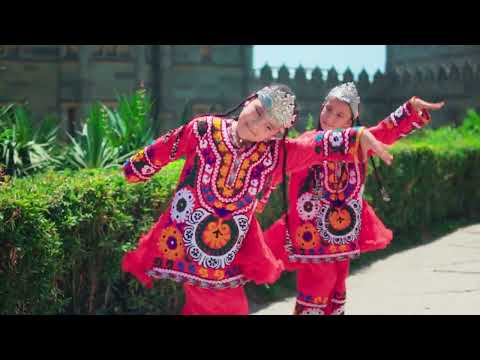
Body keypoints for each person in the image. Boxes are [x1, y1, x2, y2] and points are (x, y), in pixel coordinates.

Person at [121, 84, 393, 315]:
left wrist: (357, 135)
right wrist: (135, 169)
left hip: (228, 253)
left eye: (268, 125)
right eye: (259, 111)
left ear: (274, 134)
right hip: (183, 240)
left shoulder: (276, 155)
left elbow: (314, 147)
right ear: (250, 101)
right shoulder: (203, 129)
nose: (256, 125)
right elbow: (169, 146)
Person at [264, 82, 445, 315]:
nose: (330, 117)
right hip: (311, 238)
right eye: (328, 109)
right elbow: (284, 156)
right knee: (317, 287)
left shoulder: (358, 144)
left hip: (342, 235)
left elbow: (383, 132)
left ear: (350, 122)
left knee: (338, 287)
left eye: (339, 114)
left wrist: (409, 110)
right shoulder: (309, 143)